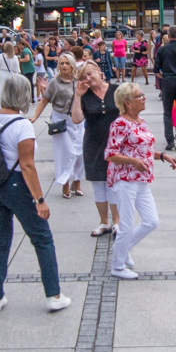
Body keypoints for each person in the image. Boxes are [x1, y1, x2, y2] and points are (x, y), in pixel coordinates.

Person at [0, 73, 71, 312]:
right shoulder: (22, 126)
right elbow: (27, 165)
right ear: (23, 96)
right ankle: (53, 294)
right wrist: (40, 200)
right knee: (42, 239)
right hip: (16, 186)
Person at [105, 82, 176, 279]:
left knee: (151, 221)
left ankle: (124, 249)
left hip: (141, 180)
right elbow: (110, 154)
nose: (144, 98)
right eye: (140, 96)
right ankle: (117, 266)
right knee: (126, 224)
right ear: (128, 103)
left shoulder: (140, 121)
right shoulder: (119, 124)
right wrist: (133, 161)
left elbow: (144, 150)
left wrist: (163, 156)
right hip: (125, 181)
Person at [73, 60, 123, 235]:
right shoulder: (85, 95)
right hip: (93, 144)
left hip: (116, 145)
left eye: (89, 74)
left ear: (98, 71)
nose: (88, 78)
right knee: (98, 185)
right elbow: (77, 119)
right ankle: (104, 222)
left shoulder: (116, 89)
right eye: (83, 77)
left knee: (114, 185)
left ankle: (117, 222)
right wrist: (78, 95)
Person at [32, 53, 85, 198]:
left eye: (67, 63)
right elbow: (44, 101)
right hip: (60, 120)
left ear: (72, 65)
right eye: (61, 63)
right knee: (65, 153)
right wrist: (35, 117)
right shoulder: (55, 82)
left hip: (77, 121)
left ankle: (77, 181)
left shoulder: (78, 80)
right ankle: (64, 183)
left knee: (79, 153)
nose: (64, 66)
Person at [0, 40, 20, 106]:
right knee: (11, 92)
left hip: (2, 74)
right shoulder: (15, 57)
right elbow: (17, 70)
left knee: (1, 91)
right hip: (12, 74)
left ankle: (2, 106)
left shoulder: (0, 56)